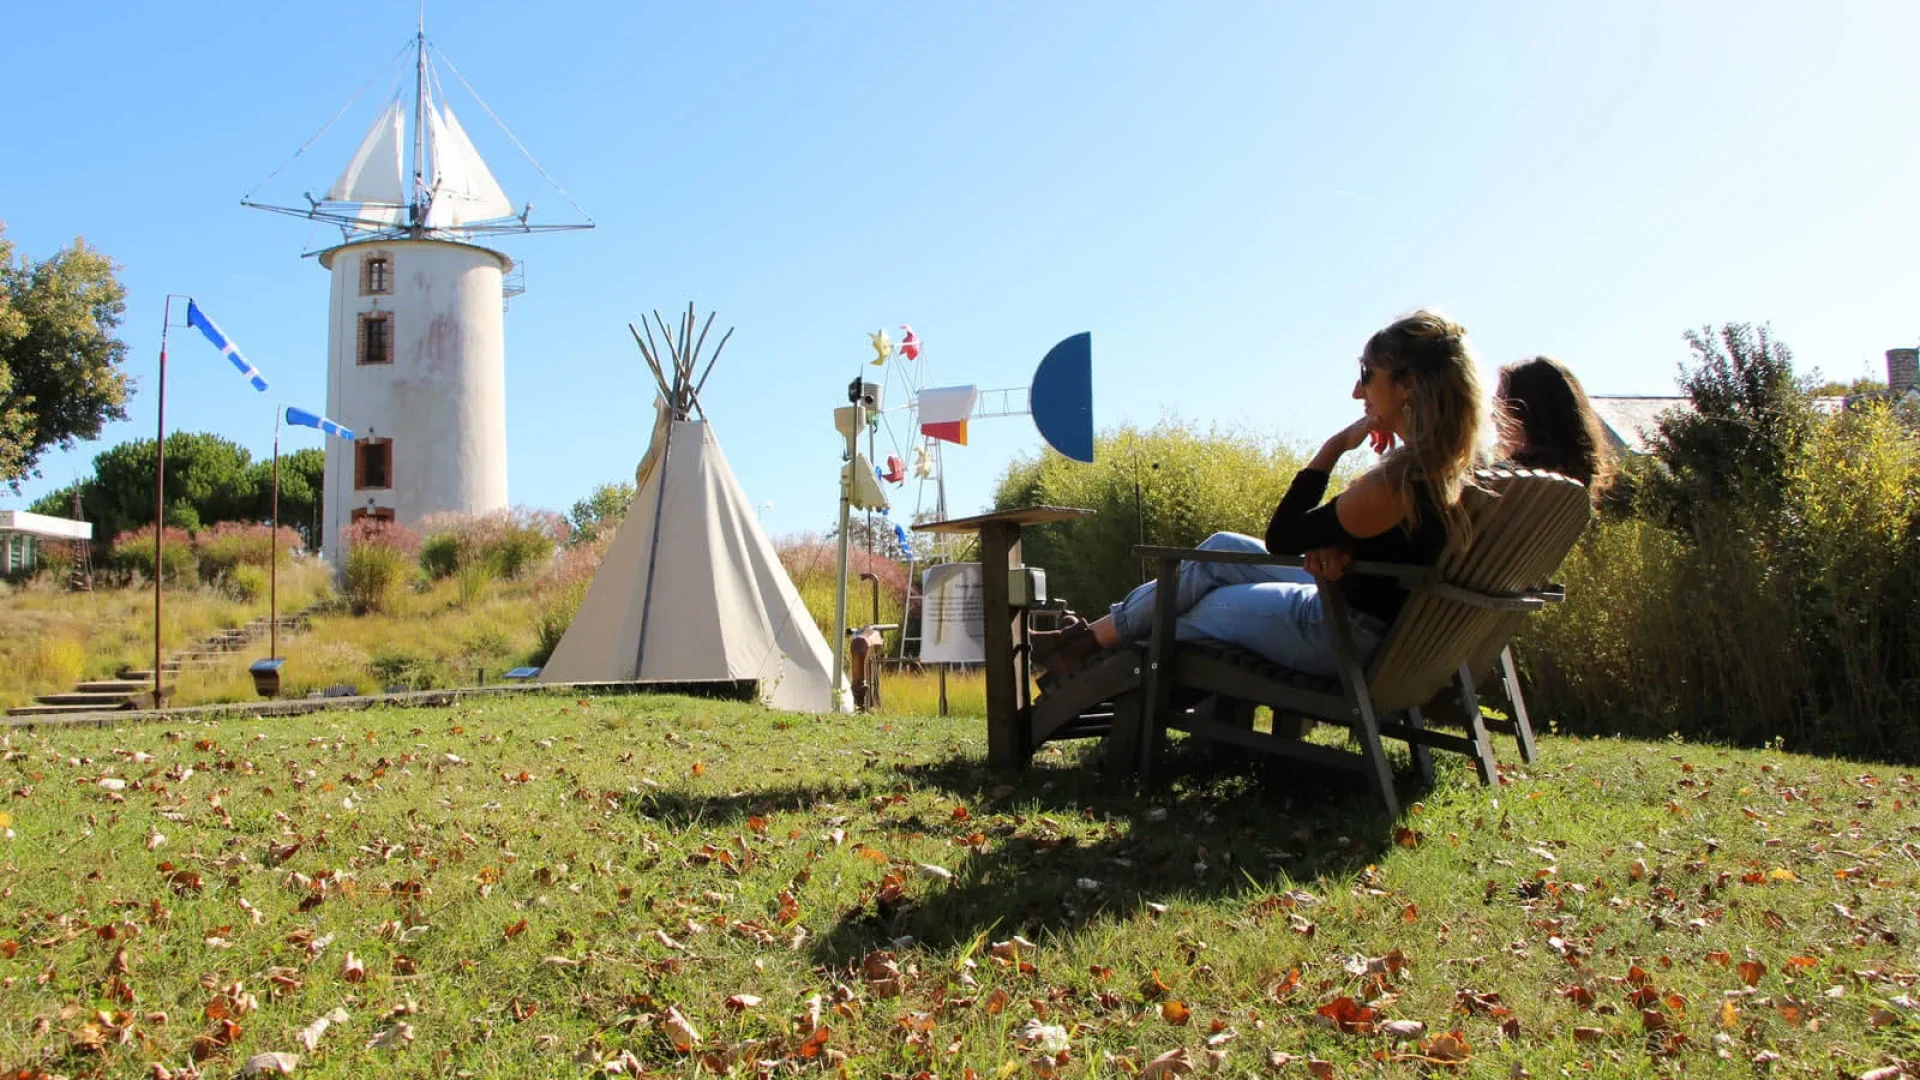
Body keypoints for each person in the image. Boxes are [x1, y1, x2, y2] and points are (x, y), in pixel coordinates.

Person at [1032, 310, 1485, 678]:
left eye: (1368, 375)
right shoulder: (1455, 470)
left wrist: (1332, 449)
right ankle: (1087, 641)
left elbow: (1283, 536)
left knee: (1198, 604)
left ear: (1407, 385)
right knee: (1222, 549)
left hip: (1339, 634)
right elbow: (1372, 539)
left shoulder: (1398, 482)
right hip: (1380, 622)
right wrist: (1340, 542)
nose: (1356, 391)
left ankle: (1088, 657)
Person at [1493, 356, 1612, 494]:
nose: (1494, 418)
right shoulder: (1574, 484)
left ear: (1527, 415)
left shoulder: (1497, 482)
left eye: (1500, 407)